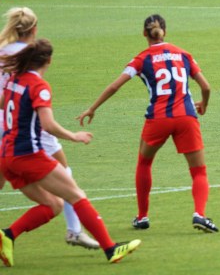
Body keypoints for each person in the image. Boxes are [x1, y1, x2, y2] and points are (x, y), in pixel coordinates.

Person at [0, 39, 141, 267]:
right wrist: (74, 136)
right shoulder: (39, 86)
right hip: (28, 155)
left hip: (6, 156)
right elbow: (48, 124)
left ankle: (7, 235)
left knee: (53, 205)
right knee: (76, 195)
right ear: (49, 60)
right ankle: (111, 249)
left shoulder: (13, 81)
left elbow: (3, 104)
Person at [77, 15, 218, 233]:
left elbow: (115, 86)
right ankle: (199, 214)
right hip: (186, 117)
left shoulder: (142, 59)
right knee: (198, 171)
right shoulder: (183, 54)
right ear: (165, 31)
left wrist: (92, 108)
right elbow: (206, 87)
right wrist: (204, 105)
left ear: (145, 33)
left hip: (158, 118)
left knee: (144, 163)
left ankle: (142, 217)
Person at [0, 7, 99, 250]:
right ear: (34, 29)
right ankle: (74, 231)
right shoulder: (27, 55)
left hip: (4, 122)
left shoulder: (3, 53)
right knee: (65, 171)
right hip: (26, 127)